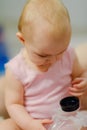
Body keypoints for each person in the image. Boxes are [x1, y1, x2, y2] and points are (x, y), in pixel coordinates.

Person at [0, 0, 87, 130]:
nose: (53, 60)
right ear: (23, 40)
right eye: (43, 56)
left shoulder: (68, 55)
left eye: (60, 52)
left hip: (68, 119)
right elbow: (14, 104)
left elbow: (80, 73)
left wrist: (83, 80)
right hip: (32, 123)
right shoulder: (16, 70)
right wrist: (29, 124)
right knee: (6, 126)